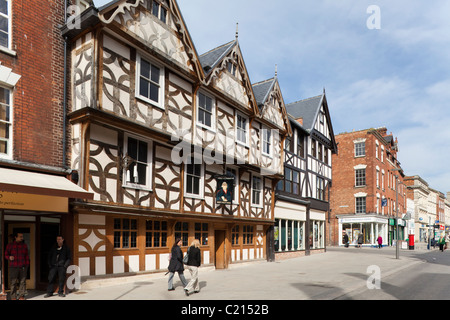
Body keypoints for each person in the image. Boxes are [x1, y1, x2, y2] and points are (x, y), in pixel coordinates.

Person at [5, 232, 30, 300]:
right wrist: (9, 257)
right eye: (20, 237)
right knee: (13, 282)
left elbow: (27, 256)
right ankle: (13, 297)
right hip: (13, 266)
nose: (22, 238)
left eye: (22, 236)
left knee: (22, 282)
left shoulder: (24, 245)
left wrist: (27, 266)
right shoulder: (10, 245)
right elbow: (6, 254)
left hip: (23, 266)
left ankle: (21, 296)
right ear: (15, 237)